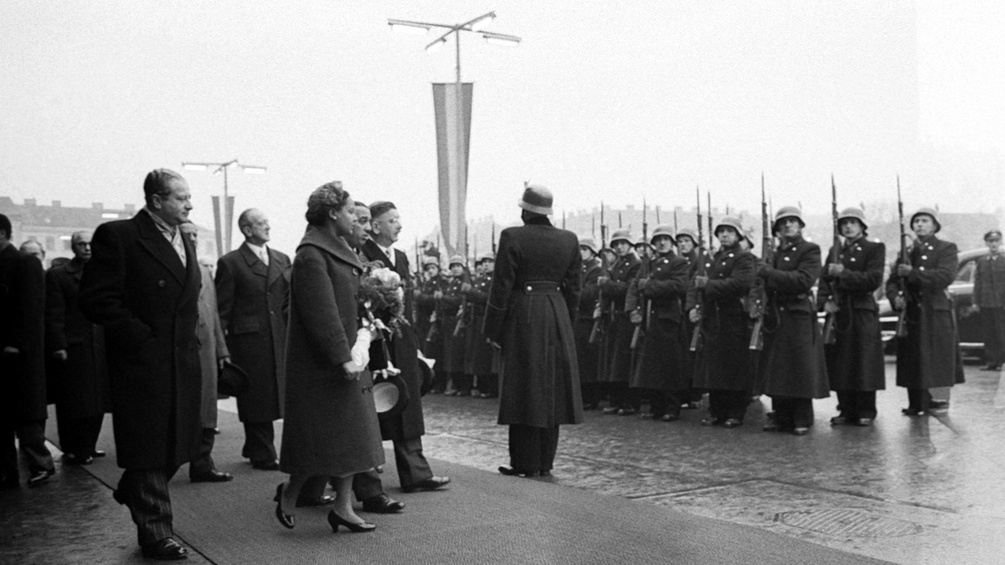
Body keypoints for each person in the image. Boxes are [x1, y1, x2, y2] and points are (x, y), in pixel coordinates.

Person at [78, 169, 202, 560]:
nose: (190, 204)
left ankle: (134, 489)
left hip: (180, 361)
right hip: (142, 363)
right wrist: (140, 337)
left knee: (174, 446)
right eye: (181, 198)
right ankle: (155, 533)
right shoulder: (119, 236)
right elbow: (97, 300)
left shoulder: (183, 237)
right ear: (156, 201)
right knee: (149, 446)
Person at [275, 181, 384, 533]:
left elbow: (348, 305)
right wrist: (343, 358)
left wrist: (369, 323)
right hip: (327, 365)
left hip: (348, 358)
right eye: (351, 211)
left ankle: (342, 508)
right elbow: (321, 315)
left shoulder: (336, 249)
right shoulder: (311, 255)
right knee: (321, 439)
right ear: (333, 213)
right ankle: (290, 494)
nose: (356, 217)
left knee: (351, 439)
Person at [484, 185, 582, 478]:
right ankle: (544, 462)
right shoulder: (569, 239)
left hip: (523, 313)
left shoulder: (512, 236)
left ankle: (524, 462)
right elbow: (575, 288)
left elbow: (501, 286)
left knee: (523, 385)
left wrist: (492, 329)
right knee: (552, 389)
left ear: (525, 210)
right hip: (557, 311)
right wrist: (566, 320)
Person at [357, 201, 449, 503]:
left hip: (402, 337)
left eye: (399, 219)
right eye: (392, 220)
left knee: (407, 403)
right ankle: (366, 474)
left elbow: (406, 301)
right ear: (375, 225)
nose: (398, 224)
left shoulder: (400, 256)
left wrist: (413, 340)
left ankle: (416, 473)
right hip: (375, 337)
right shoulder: (363, 253)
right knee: (375, 403)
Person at [215, 209, 291, 471]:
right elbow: (222, 310)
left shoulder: (282, 259)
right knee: (256, 396)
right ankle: (262, 452)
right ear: (247, 230)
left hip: (279, 337)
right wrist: (220, 347)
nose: (268, 226)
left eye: (267, 221)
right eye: (261, 223)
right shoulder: (231, 263)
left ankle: (255, 446)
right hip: (249, 341)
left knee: (279, 393)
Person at [756, 207, 829, 435]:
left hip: (798, 314)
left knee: (799, 368)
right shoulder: (773, 254)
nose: (788, 226)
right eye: (783, 223)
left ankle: (801, 418)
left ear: (800, 225)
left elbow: (803, 280)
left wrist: (769, 274)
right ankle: (781, 415)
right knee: (778, 368)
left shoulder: (810, 250)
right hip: (776, 315)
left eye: (792, 221)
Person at [886, 207, 961, 415]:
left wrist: (913, 273)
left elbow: (945, 276)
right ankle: (917, 402)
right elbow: (892, 281)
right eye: (916, 221)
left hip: (935, 310)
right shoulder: (906, 252)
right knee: (913, 356)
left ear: (934, 225)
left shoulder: (946, 248)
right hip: (912, 312)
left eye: (925, 221)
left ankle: (939, 401)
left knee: (938, 356)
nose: (919, 224)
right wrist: (895, 297)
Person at [45, 230, 110, 465]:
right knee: (75, 400)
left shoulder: (103, 273)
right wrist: (58, 344)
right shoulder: (59, 275)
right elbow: (54, 313)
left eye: (90, 244)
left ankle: (89, 445)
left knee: (98, 399)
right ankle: (75, 447)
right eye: (82, 244)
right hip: (75, 345)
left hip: (99, 344)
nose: (87, 248)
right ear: (73, 248)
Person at [818, 208, 886, 426]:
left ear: (862, 226)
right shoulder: (835, 250)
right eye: (844, 223)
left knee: (863, 360)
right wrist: (824, 301)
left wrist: (843, 274)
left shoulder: (874, 248)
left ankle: (866, 409)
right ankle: (845, 408)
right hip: (839, 311)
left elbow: (873, 279)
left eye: (853, 223)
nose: (848, 227)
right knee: (841, 361)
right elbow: (824, 280)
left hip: (861, 309)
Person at [1, 214, 55, 489]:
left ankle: (41, 464)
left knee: (27, 417)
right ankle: (6, 470)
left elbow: (33, 310)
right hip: (5, 355)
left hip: (21, 356)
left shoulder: (25, 263)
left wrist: (18, 343)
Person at [686, 216, 755, 429]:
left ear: (738, 235)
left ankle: (735, 412)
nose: (724, 235)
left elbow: (740, 283)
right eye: (721, 232)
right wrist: (692, 307)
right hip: (713, 319)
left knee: (734, 368)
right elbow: (693, 284)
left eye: (729, 231)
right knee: (715, 369)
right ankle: (717, 410)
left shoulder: (744, 258)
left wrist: (709, 285)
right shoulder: (711, 258)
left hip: (734, 317)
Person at [178, 223, 233, 483]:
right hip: (180, 351)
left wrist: (222, 351)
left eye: (195, 236)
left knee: (207, 408)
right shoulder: (172, 270)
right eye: (186, 235)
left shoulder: (203, 271)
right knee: (182, 407)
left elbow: (213, 314)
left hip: (207, 350)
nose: (192, 239)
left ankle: (202, 463)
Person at [626, 225, 690, 420]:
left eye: (666, 239)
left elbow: (679, 286)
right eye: (658, 240)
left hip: (668, 319)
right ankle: (656, 406)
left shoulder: (679, 262)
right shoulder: (648, 264)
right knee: (651, 366)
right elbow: (635, 286)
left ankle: (672, 407)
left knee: (669, 366)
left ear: (671, 243)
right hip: (649, 319)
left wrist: (651, 286)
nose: (662, 243)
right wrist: (632, 309)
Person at [598, 229, 640, 415]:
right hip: (615, 317)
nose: (620, 247)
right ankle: (616, 400)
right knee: (615, 361)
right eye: (617, 244)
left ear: (630, 245)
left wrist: (607, 285)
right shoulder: (617, 265)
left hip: (627, 316)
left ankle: (629, 402)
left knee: (625, 361)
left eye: (623, 243)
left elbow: (628, 289)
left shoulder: (636, 264)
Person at [465, 252, 500, 399]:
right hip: (477, 319)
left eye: (490, 262)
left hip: (488, 318)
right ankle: (481, 385)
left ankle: (490, 388)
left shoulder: (496, 280)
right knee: (478, 355)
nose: (486, 264)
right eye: (484, 262)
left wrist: (471, 292)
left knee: (487, 356)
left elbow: (489, 298)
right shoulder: (480, 280)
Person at [574, 238, 603, 409]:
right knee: (579, 360)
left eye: (585, 249)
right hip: (578, 319)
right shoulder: (578, 269)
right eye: (580, 249)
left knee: (589, 361)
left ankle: (591, 397)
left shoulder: (596, 270)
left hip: (589, 319)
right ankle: (582, 396)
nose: (581, 252)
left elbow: (587, 294)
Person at [973, 229, 1005, 371]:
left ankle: (1002, 362)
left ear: (1000, 242)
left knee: (1001, 333)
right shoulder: (981, 261)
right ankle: (991, 361)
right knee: (988, 333)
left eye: (996, 241)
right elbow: (977, 283)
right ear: (986, 243)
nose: (993, 244)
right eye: (990, 241)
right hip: (986, 302)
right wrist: (975, 301)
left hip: (1001, 303)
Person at [437, 256, 468, 395]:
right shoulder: (453, 282)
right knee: (451, 355)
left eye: (458, 266)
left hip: (459, 322)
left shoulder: (465, 281)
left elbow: (459, 301)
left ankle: (462, 386)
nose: (455, 269)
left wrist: (443, 298)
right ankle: (456, 385)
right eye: (453, 266)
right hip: (449, 322)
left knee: (458, 355)